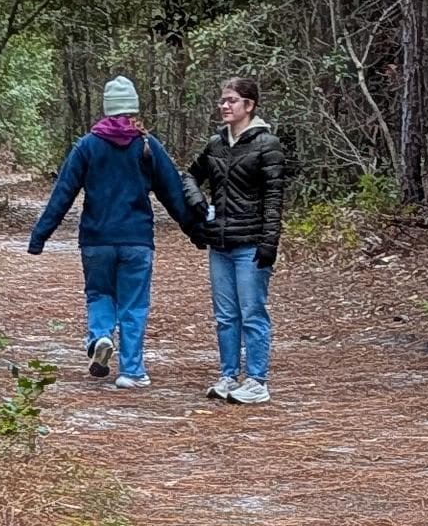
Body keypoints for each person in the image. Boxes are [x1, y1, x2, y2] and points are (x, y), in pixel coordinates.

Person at [27, 75, 195, 389]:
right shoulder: (147, 145)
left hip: (97, 240)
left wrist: (40, 236)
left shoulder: (87, 146)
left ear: (106, 110)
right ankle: (131, 370)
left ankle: (101, 337)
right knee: (134, 304)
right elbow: (173, 192)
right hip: (136, 240)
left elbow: (63, 193)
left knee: (99, 294)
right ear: (134, 110)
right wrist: (194, 231)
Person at [186, 72, 286, 403]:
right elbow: (189, 175)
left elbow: (274, 199)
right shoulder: (215, 144)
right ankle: (228, 375)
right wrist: (198, 203)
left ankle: (257, 380)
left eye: (231, 100)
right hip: (221, 244)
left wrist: (269, 243)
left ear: (249, 104)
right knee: (225, 316)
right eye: (222, 100)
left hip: (252, 243)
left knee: (252, 312)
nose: (224, 106)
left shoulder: (267, 145)